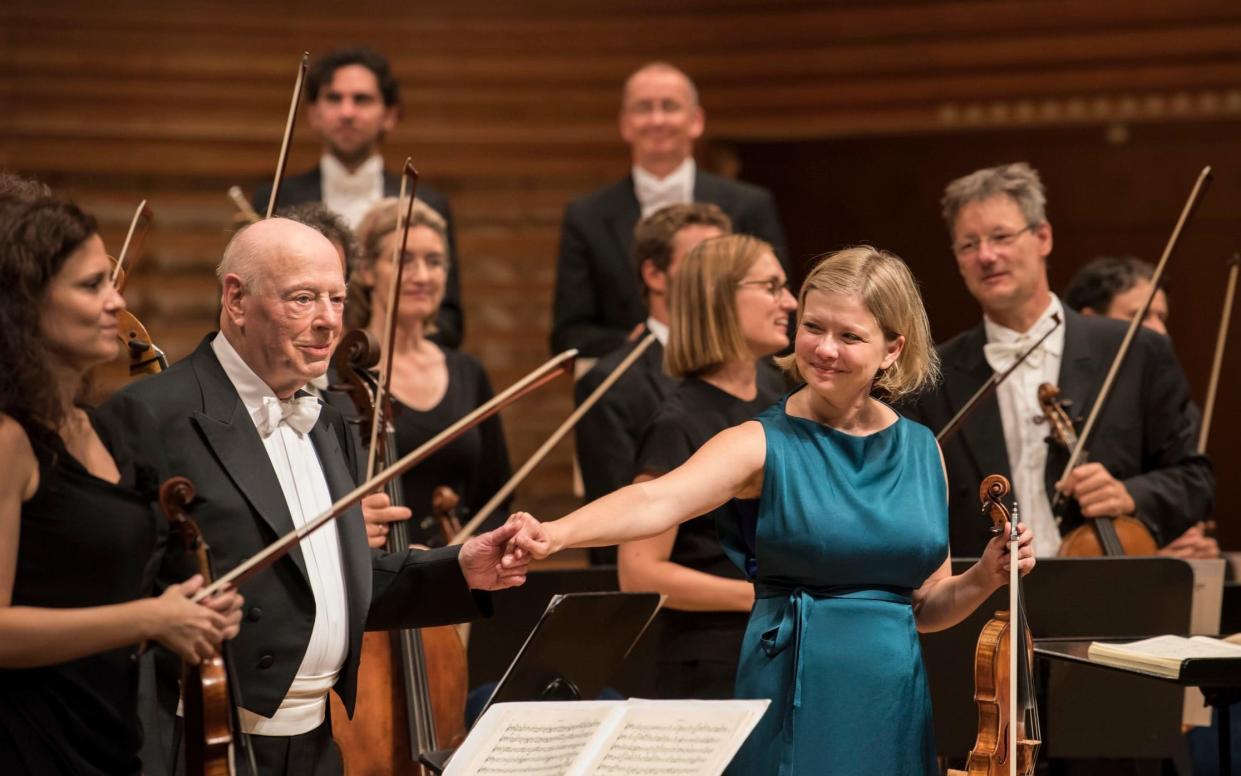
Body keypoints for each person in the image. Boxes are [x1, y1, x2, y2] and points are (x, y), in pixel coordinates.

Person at [507, 246, 1035, 775]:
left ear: (893, 348)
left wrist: (985, 577)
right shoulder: (759, 442)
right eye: (813, 327)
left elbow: (924, 607)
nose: (825, 349)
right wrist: (556, 534)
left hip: (892, 698)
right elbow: (656, 499)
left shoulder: (923, 450)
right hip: (795, 687)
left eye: (849, 336)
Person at [102, 217, 529, 776]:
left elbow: (340, 584)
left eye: (337, 299)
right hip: (200, 743)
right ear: (235, 299)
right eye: (303, 299)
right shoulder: (151, 415)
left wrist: (460, 569)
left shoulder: (328, 418)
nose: (329, 321)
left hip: (316, 746)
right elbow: (109, 610)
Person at [0, 193, 243, 775]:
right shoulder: (9, 440)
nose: (118, 302)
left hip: (105, 738)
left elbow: (96, 592)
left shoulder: (100, 431)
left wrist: (185, 614)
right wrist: (151, 619)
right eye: (90, 287)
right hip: (27, 746)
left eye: (111, 281)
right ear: (21, 305)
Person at [902, 162, 1212, 557]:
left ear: (1043, 236)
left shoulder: (1134, 351)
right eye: (969, 244)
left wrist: (1129, 495)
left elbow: (1195, 480)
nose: (986, 255)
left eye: (1001, 236)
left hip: (1108, 595)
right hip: (988, 604)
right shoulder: (930, 376)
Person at [620, 234, 794, 699]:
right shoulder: (679, 420)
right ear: (721, 296)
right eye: (772, 286)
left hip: (776, 648)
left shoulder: (779, 403)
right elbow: (639, 572)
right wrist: (759, 598)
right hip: (712, 664)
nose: (791, 302)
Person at [550, 61, 788, 357]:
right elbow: (569, 333)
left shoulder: (749, 205)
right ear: (625, 124)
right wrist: (635, 347)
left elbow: (778, 305)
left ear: (696, 120)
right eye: (643, 108)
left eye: (670, 106)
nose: (657, 119)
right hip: (630, 387)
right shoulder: (585, 216)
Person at [251, 47, 464, 348]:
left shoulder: (424, 203)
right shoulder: (277, 197)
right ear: (313, 113)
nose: (347, 112)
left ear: (389, 115)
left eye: (361, 100)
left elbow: (448, 320)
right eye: (334, 98)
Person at [346, 197, 512, 548]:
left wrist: (467, 550)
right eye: (403, 260)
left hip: (461, 576)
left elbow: (496, 497)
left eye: (434, 262)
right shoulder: (340, 375)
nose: (422, 276)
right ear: (367, 271)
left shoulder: (468, 373)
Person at [574, 203, 731, 508]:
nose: (721, 278)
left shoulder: (764, 371)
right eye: (704, 261)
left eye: (726, 263)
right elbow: (611, 525)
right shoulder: (610, 384)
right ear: (655, 274)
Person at [1063, 255, 1219, 560]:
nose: (1158, 331)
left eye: (1162, 317)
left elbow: (1193, 482)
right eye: (1142, 316)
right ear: (1090, 320)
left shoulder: (1164, 392)